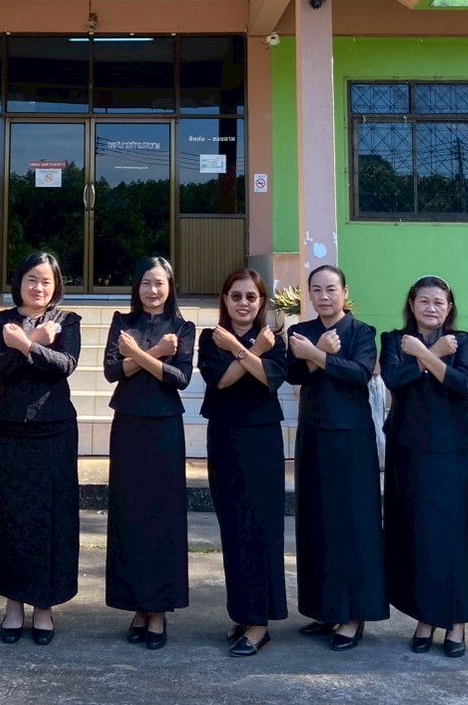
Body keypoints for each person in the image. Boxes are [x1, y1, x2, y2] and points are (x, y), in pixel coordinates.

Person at [0, 251, 82, 645]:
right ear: (19, 282)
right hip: (9, 431)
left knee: (51, 519)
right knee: (10, 517)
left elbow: (64, 364)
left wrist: (25, 344)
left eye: (46, 281)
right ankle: (13, 605)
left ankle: (44, 607)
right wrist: (35, 343)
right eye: (31, 279)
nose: (38, 287)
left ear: (56, 286)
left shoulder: (67, 321)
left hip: (55, 431)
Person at [380, 275, 468, 658]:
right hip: (408, 446)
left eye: (439, 302)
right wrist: (431, 355)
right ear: (411, 304)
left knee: (454, 534)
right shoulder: (394, 340)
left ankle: (456, 621)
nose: (431, 308)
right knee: (417, 534)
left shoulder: (463, 341)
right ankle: (426, 616)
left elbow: (462, 384)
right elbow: (394, 379)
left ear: (449, 307)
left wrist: (427, 354)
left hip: (453, 448)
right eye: (424, 301)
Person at [286, 264, 387, 652]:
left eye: (331, 289)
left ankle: (353, 615)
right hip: (313, 435)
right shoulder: (300, 331)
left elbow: (359, 373)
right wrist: (317, 355)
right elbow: (294, 375)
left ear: (345, 292)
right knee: (317, 522)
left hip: (351, 438)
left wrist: (317, 355)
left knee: (353, 524)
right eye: (316, 289)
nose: (324, 296)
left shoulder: (361, 332)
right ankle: (325, 608)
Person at [103, 257, 196, 650]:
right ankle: (137, 607)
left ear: (170, 286)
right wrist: (157, 353)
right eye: (145, 283)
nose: (152, 290)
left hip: (164, 428)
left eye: (159, 283)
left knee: (162, 517)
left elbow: (180, 378)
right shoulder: (122, 322)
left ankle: (158, 610)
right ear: (136, 287)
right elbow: (111, 371)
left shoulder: (183, 328)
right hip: (128, 424)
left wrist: (140, 355)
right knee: (130, 515)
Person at [199, 268, 288, 657]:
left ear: (261, 302)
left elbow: (270, 379)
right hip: (225, 438)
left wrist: (242, 350)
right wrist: (250, 352)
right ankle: (243, 613)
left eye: (251, 297)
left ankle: (259, 625)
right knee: (233, 529)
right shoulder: (210, 338)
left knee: (260, 528)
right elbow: (220, 380)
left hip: (262, 441)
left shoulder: (274, 338)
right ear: (225, 299)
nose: (243, 303)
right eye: (236, 296)